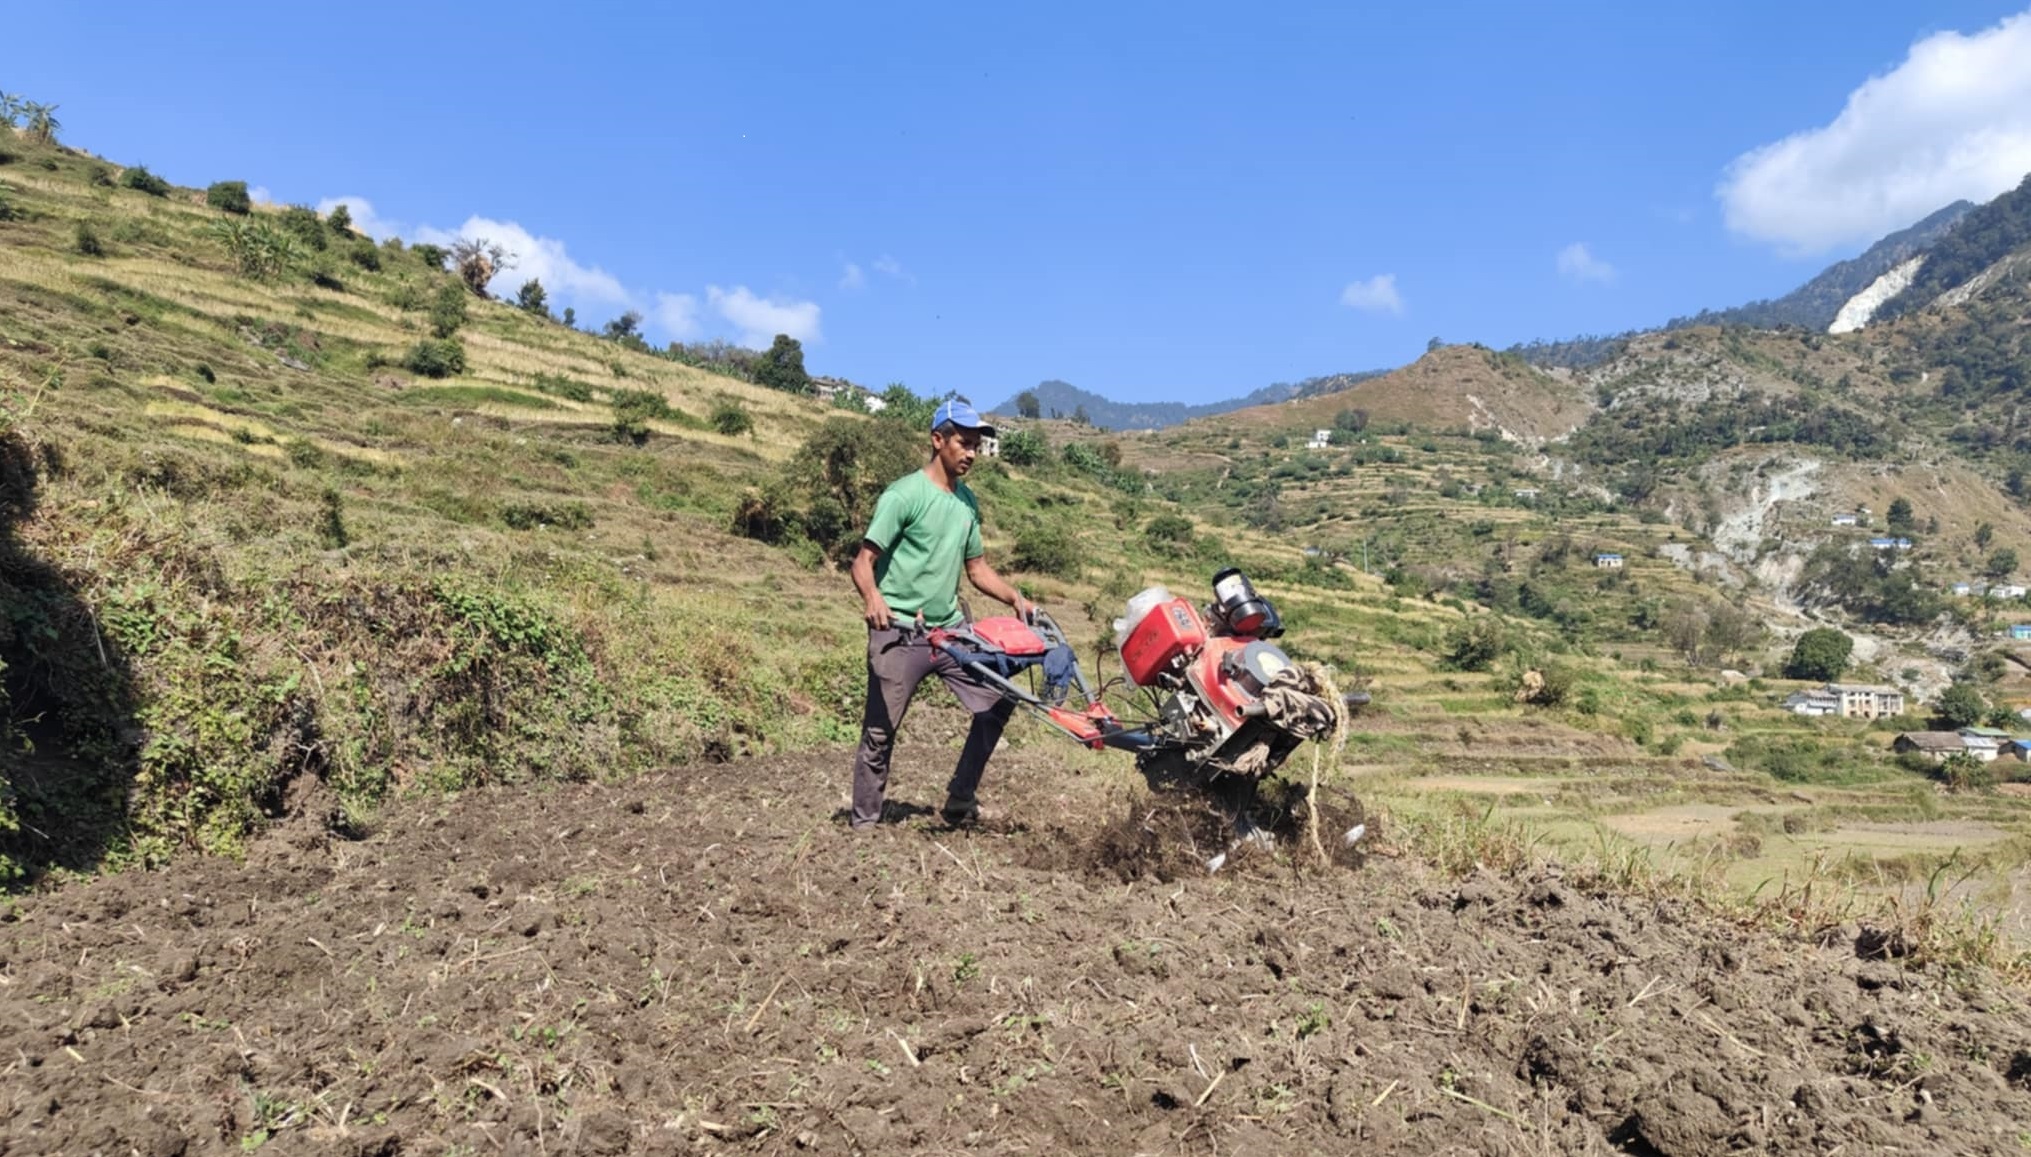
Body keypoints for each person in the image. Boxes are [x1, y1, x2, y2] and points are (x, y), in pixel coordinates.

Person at [847, 400, 1034, 831]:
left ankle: (960, 798)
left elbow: (977, 569)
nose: (971, 453)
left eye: (975, 446)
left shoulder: (967, 503)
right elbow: (862, 562)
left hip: (948, 632)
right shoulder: (904, 495)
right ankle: (863, 826)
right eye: (963, 443)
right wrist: (873, 598)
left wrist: (1015, 598)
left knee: (997, 702)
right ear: (937, 440)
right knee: (880, 731)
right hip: (900, 632)